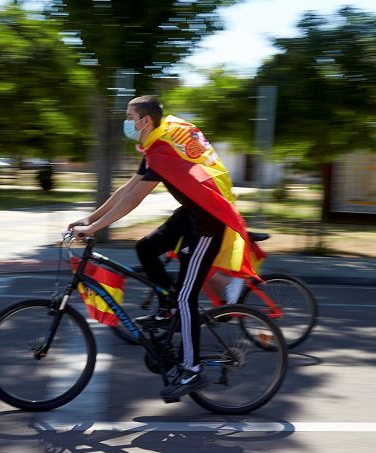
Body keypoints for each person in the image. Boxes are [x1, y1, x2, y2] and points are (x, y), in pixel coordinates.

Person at [69, 95, 258, 400]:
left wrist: (92, 229)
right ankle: (167, 309)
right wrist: (89, 218)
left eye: (130, 117)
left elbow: (134, 199)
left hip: (208, 221)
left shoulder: (162, 151)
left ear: (144, 121)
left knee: (186, 296)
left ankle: (192, 370)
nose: (126, 122)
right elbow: (126, 188)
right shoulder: (156, 142)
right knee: (145, 248)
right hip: (191, 213)